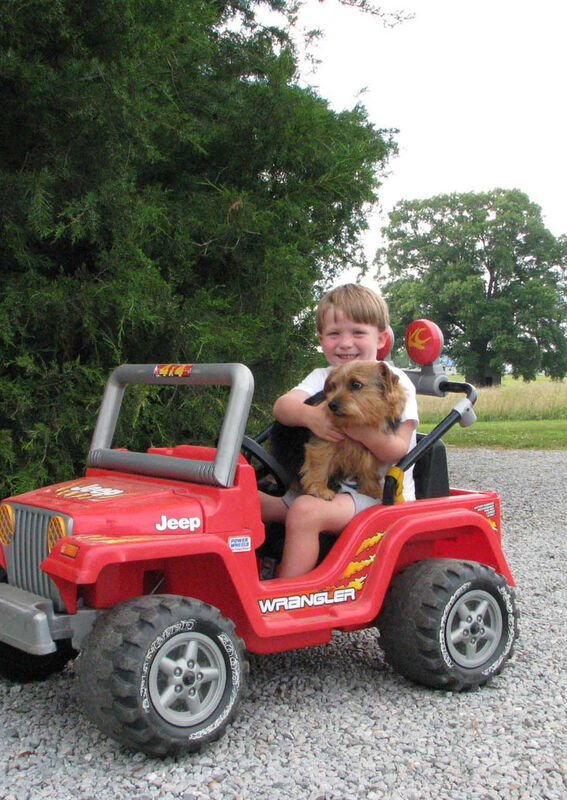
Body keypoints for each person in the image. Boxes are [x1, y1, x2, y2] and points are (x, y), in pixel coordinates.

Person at [260, 284, 418, 578]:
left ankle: (288, 597)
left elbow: (398, 449)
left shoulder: (395, 380)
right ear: (321, 339)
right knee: (243, 501)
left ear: (381, 337)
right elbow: (282, 408)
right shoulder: (321, 375)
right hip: (323, 486)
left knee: (305, 513)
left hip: (378, 497)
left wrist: (355, 430)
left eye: (357, 332)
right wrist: (310, 415)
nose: (345, 343)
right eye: (334, 334)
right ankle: (250, 573)